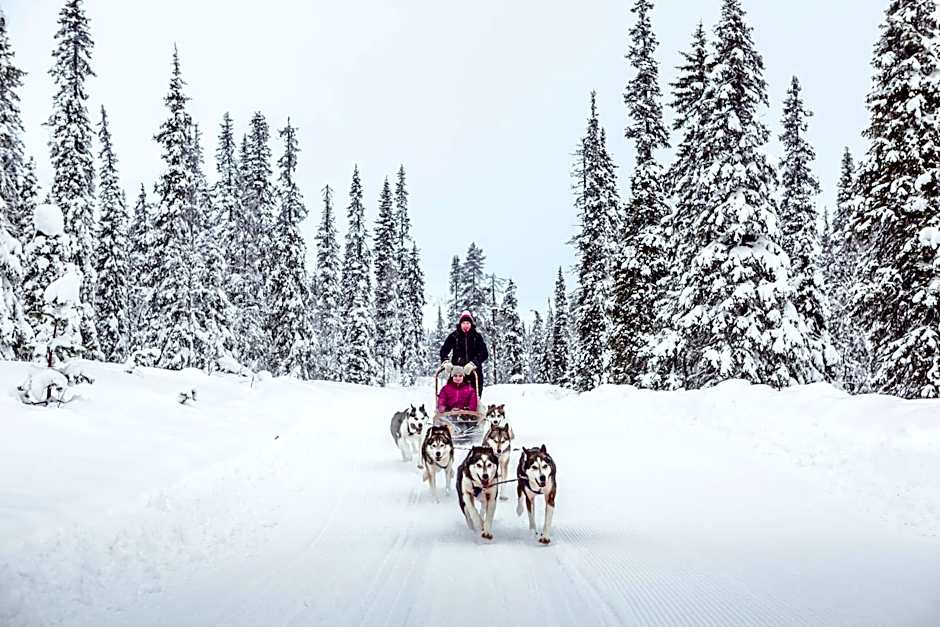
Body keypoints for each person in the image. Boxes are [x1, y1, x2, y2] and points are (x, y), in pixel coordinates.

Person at [439, 310, 489, 397]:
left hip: (474, 372)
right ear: (460, 324)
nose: (466, 325)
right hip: (457, 373)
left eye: (468, 323)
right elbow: (444, 350)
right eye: (464, 323)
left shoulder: (477, 337)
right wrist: (446, 361)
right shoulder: (454, 336)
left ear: (471, 324)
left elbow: (484, 353)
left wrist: (473, 363)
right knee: (453, 397)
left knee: (474, 398)